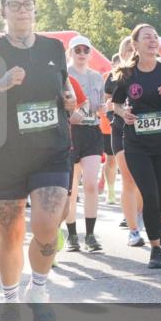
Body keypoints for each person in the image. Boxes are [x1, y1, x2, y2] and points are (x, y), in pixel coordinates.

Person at [0, 0, 77, 316]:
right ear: (3, 11)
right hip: (3, 153)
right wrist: (0, 83)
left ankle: (38, 289)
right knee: (11, 234)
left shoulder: (54, 47)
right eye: (15, 5)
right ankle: (10, 300)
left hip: (51, 149)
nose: (23, 10)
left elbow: (64, 85)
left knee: (47, 226)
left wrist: (69, 99)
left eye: (28, 4)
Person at [109, 24, 161, 269]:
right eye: (147, 37)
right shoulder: (127, 74)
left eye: (155, 37)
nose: (153, 40)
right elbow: (115, 104)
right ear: (135, 44)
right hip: (137, 145)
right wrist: (123, 113)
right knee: (149, 195)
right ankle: (156, 248)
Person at [63, 35, 106, 253]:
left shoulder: (97, 77)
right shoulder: (63, 75)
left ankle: (90, 235)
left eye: (85, 50)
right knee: (70, 189)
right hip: (70, 133)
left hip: (92, 132)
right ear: (70, 52)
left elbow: (99, 106)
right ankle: (72, 235)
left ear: (90, 53)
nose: (81, 54)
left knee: (90, 184)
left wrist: (104, 108)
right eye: (77, 50)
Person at [104, 36, 146, 247]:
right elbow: (107, 102)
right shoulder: (114, 77)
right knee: (128, 178)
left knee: (142, 180)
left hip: (144, 133)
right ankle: (133, 230)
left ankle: (139, 214)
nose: (133, 53)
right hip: (120, 129)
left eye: (135, 49)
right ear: (121, 55)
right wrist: (114, 111)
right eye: (128, 50)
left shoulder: (149, 73)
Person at [101, 53, 120, 205]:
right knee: (111, 159)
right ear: (113, 65)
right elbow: (103, 100)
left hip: (129, 124)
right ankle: (111, 190)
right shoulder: (108, 78)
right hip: (109, 125)